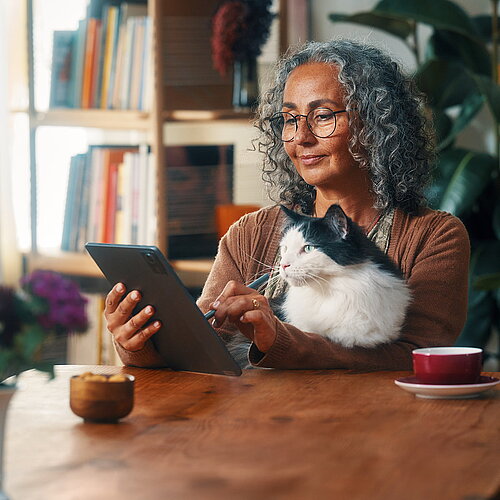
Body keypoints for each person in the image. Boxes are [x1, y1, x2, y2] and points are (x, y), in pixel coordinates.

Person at [105, 39, 470, 371]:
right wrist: (137, 341)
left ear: (376, 124)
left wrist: (278, 339)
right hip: (257, 427)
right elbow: (198, 349)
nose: (300, 137)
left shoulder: (435, 236)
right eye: (290, 119)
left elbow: (416, 356)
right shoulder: (250, 233)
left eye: (323, 116)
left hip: (374, 433)